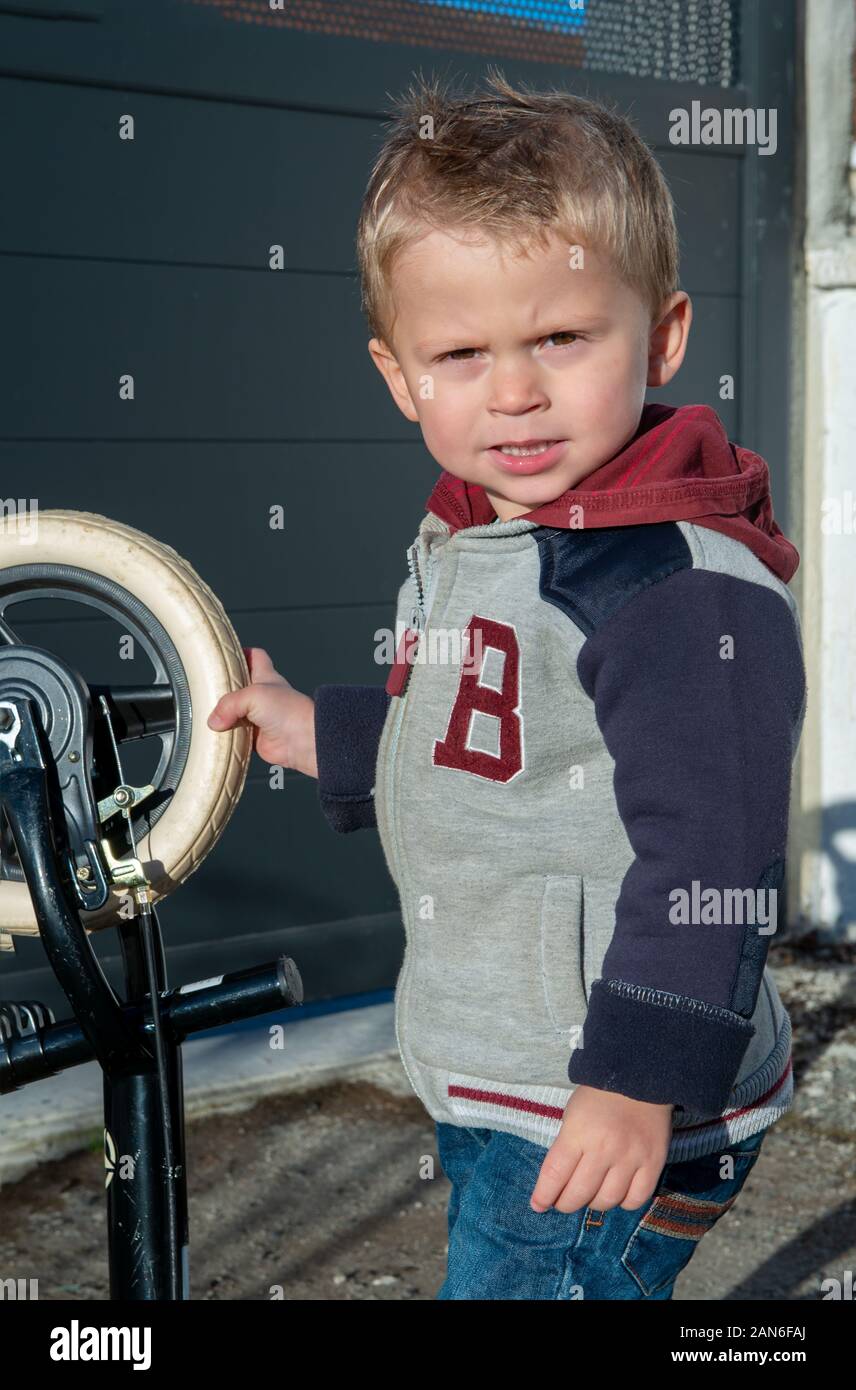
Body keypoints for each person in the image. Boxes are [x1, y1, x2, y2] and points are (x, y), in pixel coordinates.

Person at [208, 69, 806, 1300]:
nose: (516, 390)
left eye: (561, 338)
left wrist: (639, 1074)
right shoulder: (481, 533)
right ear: (398, 376)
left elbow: (715, 844)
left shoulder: (671, 582)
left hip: (606, 1092)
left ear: (665, 334)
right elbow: (475, 731)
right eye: (462, 354)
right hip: (513, 1070)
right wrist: (319, 728)